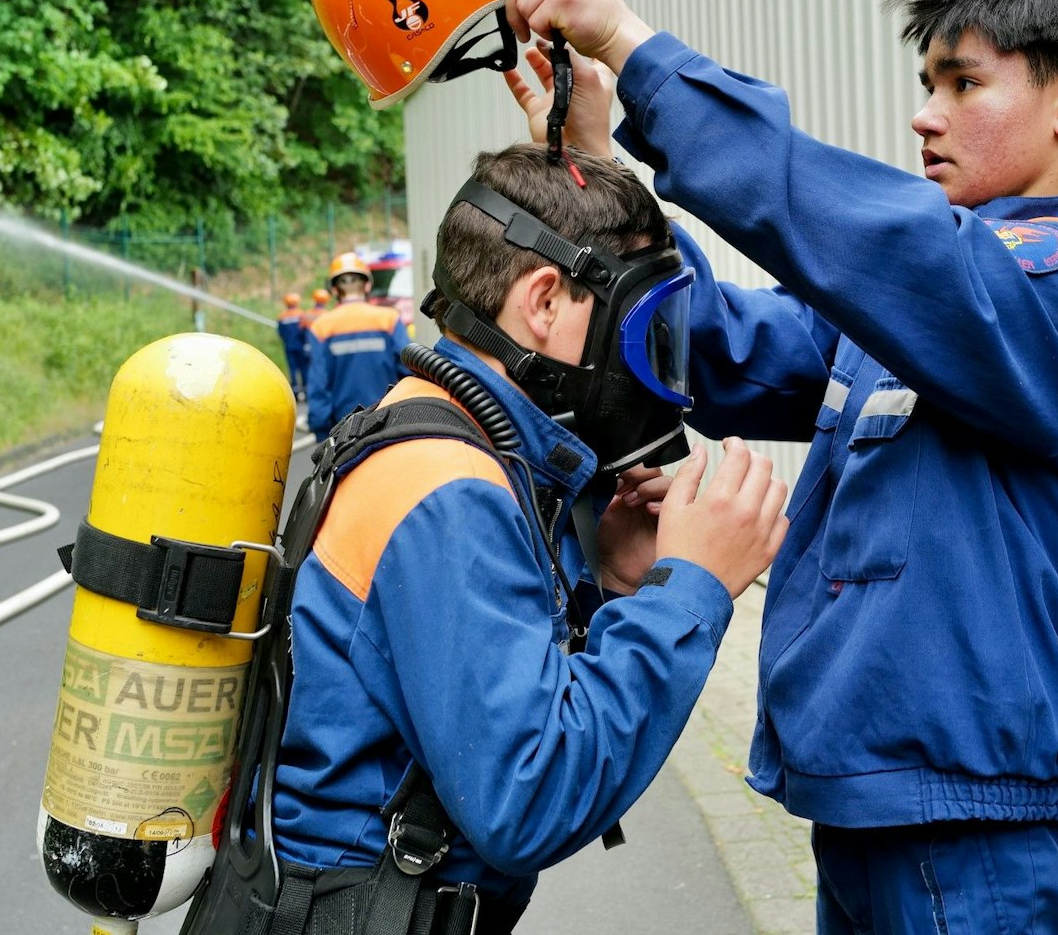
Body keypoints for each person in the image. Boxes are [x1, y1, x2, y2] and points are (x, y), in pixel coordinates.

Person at [463, 0, 1058, 933]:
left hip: (978, 831)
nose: (926, 117)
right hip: (869, 807)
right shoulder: (920, 308)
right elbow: (701, 344)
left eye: (962, 83)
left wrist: (629, 43)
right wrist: (597, 162)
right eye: (925, 85)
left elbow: (862, 237)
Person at [273, 144, 789, 931]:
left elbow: (490, 701)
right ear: (544, 301)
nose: (656, 367)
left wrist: (613, 583)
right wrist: (693, 588)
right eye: (643, 325)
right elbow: (527, 796)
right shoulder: (449, 491)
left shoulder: (444, 439)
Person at [304, 252, 410, 442]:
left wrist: (321, 430)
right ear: (367, 285)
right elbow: (409, 368)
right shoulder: (389, 319)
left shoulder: (321, 327)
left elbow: (319, 384)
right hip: (387, 423)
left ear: (334, 290)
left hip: (343, 432)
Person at [277, 292, 311, 398]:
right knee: (304, 369)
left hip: (289, 346)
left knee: (292, 369)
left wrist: (287, 341)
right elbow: (305, 331)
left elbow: (281, 332)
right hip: (301, 346)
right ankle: (306, 391)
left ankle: (295, 392)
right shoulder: (302, 315)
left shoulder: (282, 316)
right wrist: (306, 344)